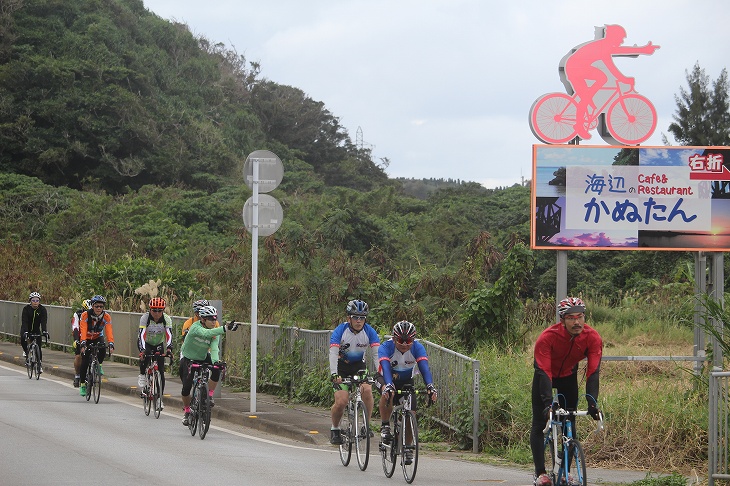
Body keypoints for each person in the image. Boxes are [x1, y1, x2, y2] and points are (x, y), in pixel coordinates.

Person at [531, 297, 603, 486]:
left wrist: (592, 403)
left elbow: (593, 371)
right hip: (544, 375)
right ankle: (540, 473)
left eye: (580, 317)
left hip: (568, 376)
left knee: (569, 421)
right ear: (562, 320)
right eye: (571, 318)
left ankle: (564, 472)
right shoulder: (548, 337)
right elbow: (545, 371)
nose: (577, 322)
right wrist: (547, 404)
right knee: (540, 422)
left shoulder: (592, 337)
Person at [563, 24, 660, 139]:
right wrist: (624, 79)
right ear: (614, 36)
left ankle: (588, 96)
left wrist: (642, 49)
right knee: (595, 86)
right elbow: (611, 67)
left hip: (577, 66)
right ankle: (579, 126)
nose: (622, 41)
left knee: (601, 79)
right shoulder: (603, 47)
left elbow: (622, 50)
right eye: (621, 38)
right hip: (575, 67)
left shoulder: (605, 45)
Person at [376, 321, 437, 465]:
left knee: (411, 413)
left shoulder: (417, 348)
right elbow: (385, 367)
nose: (404, 344)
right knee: (388, 393)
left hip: (406, 382)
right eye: (400, 340)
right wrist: (389, 385)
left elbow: (424, 368)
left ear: (413, 339)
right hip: (385, 377)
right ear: (394, 338)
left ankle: (408, 447)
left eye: (408, 340)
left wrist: (430, 386)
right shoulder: (386, 347)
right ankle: (385, 425)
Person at [328, 299, 380, 445]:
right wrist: (334, 374)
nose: (359, 321)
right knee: (342, 401)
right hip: (341, 369)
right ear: (348, 318)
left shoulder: (369, 331)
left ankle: (365, 425)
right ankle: (335, 428)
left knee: (367, 391)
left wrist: (380, 372)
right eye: (355, 317)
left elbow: (377, 354)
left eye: (362, 318)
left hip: (359, 367)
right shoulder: (340, 331)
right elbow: (333, 353)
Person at [179, 305, 238, 426]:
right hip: (188, 357)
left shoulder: (214, 331)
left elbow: (214, 348)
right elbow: (206, 333)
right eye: (211, 319)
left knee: (217, 368)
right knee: (186, 388)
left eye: (215, 319)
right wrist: (225, 328)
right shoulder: (195, 327)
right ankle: (186, 411)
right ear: (203, 320)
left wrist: (216, 361)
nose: (214, 321)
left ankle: (209, 395)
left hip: (202, 356)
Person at [137, 297, 173, 408]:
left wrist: (169, 349)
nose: (157, 313)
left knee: (161, 372)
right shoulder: (145, 318)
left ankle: (159, 399)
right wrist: (142, 350)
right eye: (154, 310)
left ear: (163, 311)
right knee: (145, 356)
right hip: (146, 342)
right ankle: (142, 374)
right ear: (150, 309)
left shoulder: (167, 319)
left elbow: (169, 335)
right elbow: (142, 334)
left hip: (158, 344)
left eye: (159, 310)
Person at [79, 295, 114, 397]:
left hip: (97, 336)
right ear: (92, 306)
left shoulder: (106, 316)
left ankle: (99, 366)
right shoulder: (85, 315)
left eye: (101, 307)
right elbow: (83, 329)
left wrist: (111, 343)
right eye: (97, 306)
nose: (99, 308)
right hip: (87, 337)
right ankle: (82, 385)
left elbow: (109, 331)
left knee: (103, 349)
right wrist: (83, 343)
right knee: (85, 361)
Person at [20, 291, 49, 372]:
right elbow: (24, 321)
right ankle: (26, 352)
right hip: (26, 328)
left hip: (36, 330)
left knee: (38, 347)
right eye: (33, 300)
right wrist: (25, 332)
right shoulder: (26, 309)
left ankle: (39, 365)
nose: (35, 302)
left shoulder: (42, 309)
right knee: (23, 339)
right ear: (30, 301)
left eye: (37, 300)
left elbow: (44, 321)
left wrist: (44, 331)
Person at [70, 299, 91, 387]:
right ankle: (78, 375)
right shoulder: (77, 314)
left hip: (91, 336)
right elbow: (75, 328)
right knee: (78, 356)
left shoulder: (95, 314)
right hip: (80, 336)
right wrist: (76, 340)